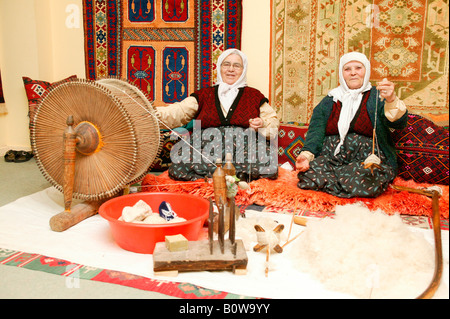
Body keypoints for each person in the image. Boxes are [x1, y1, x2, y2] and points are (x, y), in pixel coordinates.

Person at [295, 52, 408, 198]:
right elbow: (316, 132)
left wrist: (391, 99)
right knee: (308, 175)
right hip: (333, 157)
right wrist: (306, 155)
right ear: (342, 73)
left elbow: (399, 124)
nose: (353, 73)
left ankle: (335, 186)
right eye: (347, 69)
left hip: (366, 159)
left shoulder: (378, 96)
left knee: (368, 175)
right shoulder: (330, 100)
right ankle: (345, 186)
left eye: (358, 68)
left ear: (366, 71)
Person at [156, 49, 280, 181]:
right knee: (180, 162)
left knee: (269, 163)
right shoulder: (204, 94)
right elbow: (178, 111)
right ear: (219, 68)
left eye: (236, 66)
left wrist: (262, 124)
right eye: (226, 64)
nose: (231, 69)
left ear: (243, 70)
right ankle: (230, 179)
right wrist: (151, 113)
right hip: (206, 146)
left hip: (243, 147)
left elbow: (273, 122)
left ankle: (217, 177)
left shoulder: (254, 95)